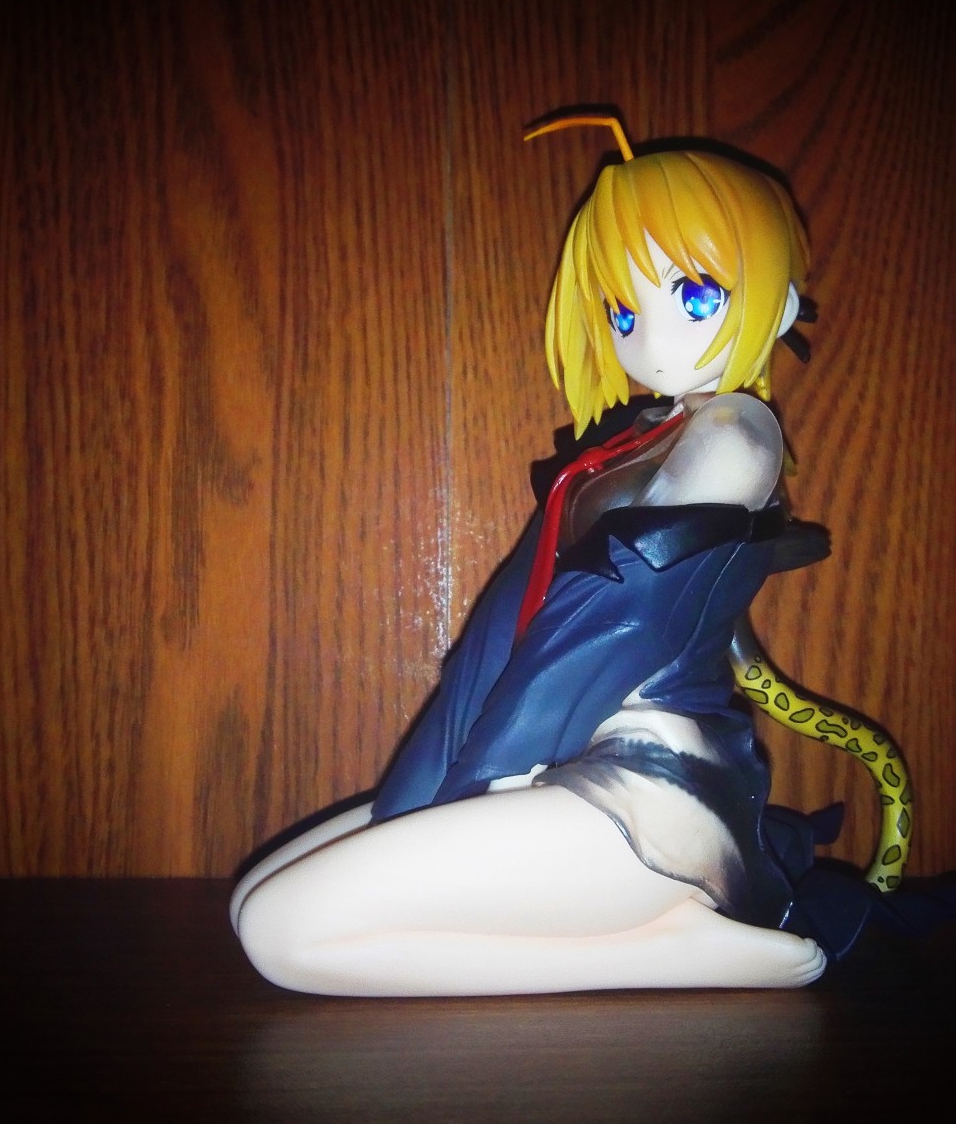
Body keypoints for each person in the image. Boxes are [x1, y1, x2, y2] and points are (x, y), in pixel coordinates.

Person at [232, 119, 855, 996]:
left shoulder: (734, 438)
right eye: (625, 311)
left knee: (281, 936)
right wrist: (440, 779)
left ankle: (675, 951)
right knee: (254, 904)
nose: (650, 341)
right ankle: (662, 938)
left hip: (642, 789)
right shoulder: (642, 437)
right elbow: (517, 620)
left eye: (695, 295)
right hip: (556, 755)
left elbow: (616, 622)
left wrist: (491, 771)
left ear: (778, 302)